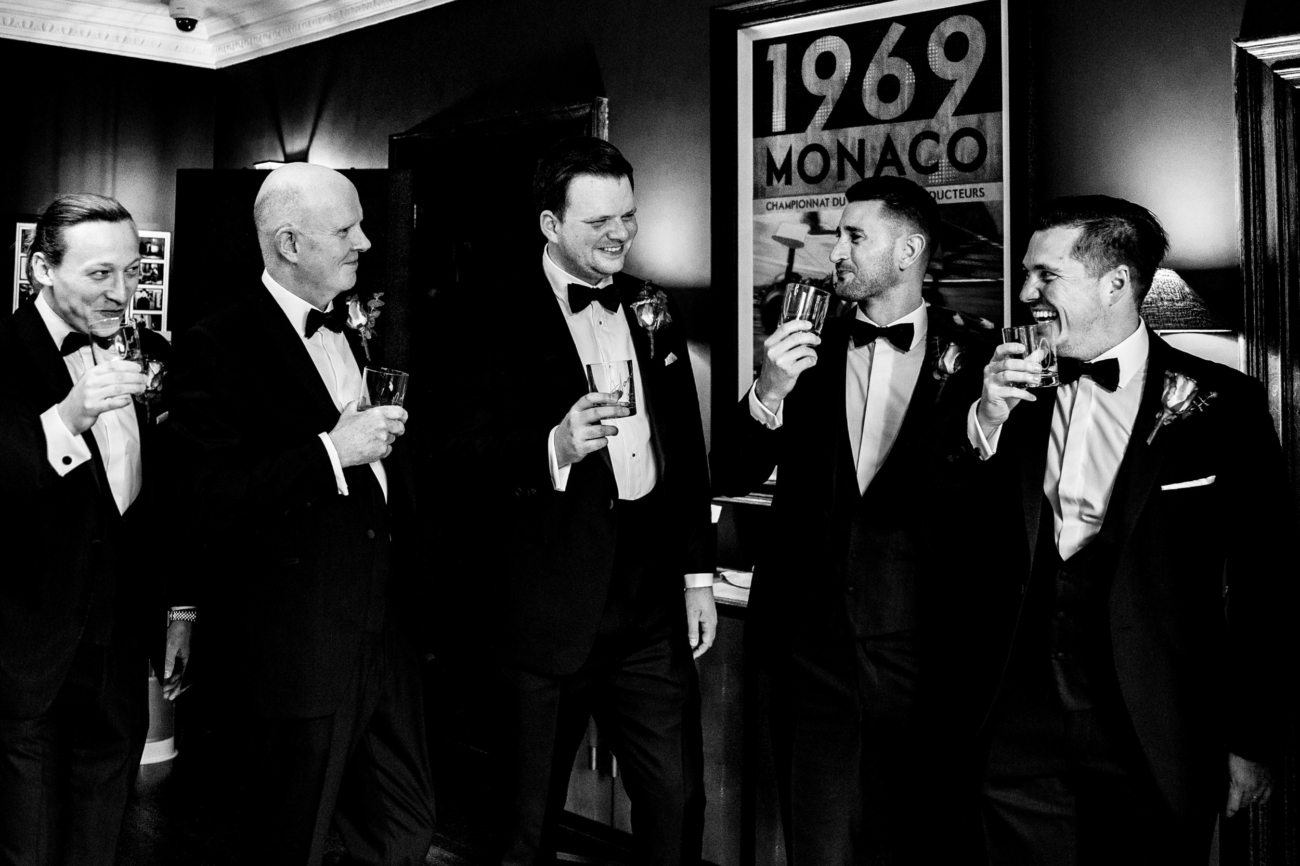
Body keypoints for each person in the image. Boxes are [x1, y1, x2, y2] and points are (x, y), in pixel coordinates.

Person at [949, 195, 1291, 863]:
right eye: (1026, 274)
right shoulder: (999, 385)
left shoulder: (1225, 407)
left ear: (1117, 282)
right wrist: (983, 420)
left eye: (1046, 276)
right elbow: (940, 524)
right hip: (1018, 729)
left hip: (1156, 730)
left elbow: (1266, 580)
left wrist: (1252, 740)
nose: (1026, 293)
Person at [436, 137, 714, 866]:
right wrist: (553, 444)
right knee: (521, 828)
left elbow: (684, 452)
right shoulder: (482, 313)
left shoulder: (655, 306)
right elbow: (451, 454)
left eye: (628, 215)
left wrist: (696, 575)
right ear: (550, 226)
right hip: (540, 618)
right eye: (599, 223)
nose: (621, 233)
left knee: (679, 805)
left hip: (649, 612)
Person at [711, 176, 992, 864]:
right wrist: (767, 392)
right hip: (813, 649)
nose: (833, 249)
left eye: (853, 236)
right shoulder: (803, 347)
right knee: (817, 844)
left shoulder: (982, 363)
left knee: (918, 842)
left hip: (929, 652)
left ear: (910, 250)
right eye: (836, 233)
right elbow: (731, 473)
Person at [168, 163, 434, 866]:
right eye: (346, 229)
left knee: (405, 830)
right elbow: (206, 495)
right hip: (297, 649)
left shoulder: (354, 327)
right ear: (289, 242)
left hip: (386, 639)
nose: (367, 243)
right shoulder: (219, 344)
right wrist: (329, 451)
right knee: (289, 841)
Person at [0, 193, 192, 866]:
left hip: (118, 655)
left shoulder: (145, 352)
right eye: (99, 274)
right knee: (24, 845)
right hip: (26, 655)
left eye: (132, 272)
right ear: (41, 269)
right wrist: (68, 418)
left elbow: (147, 506)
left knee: (99, 842)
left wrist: (175, 610)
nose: (122, 292)